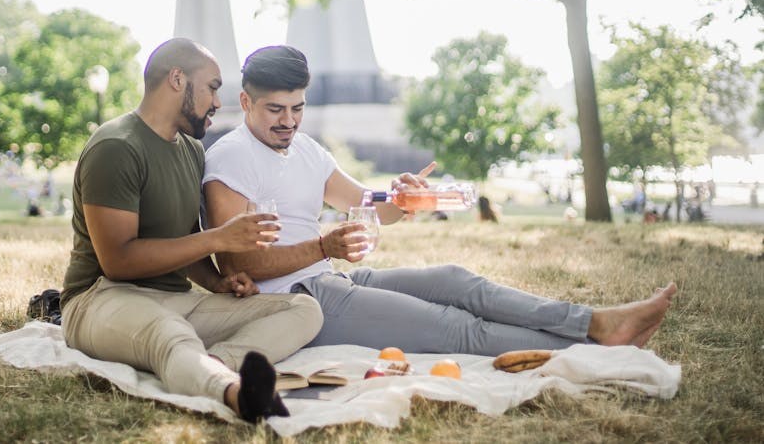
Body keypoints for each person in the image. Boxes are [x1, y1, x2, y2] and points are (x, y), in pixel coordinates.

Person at [204, 45, 677, 357]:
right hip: (295, 302)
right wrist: (323, 248)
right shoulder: (230, 160)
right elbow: (239, 266)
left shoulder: (306, 149)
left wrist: (404, 197)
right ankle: (595, 348)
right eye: (275, 110)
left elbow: (371, 204)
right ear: (245, 103)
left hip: (330, 277)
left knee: (458, 281)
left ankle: (594, 322)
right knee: (456, 327)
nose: (289, 121)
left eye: (298, 108)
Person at [59, 38, 322, 423]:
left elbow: (183, 241)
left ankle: (213, 363)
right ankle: (235, 394)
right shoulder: (116, 147)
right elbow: (118, 262)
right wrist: (219, 238)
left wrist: (217, 282)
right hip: (98, 298)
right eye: (212, 88)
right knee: (168, 333)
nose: (218, 101)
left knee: (303, 309)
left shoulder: (191, 150)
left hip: (174, 299)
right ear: (177, 80)